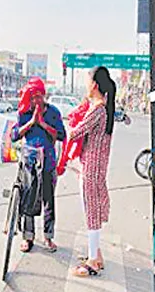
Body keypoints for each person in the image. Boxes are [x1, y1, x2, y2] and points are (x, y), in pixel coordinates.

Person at [69, 66, 116, 277]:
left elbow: (77, 132)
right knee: (92, 211)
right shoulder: (102, 107)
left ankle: (92, 262)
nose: (85, 86)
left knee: (92, 214)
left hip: (92, 168)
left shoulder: (98, 109)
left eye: (87, 81)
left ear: (94, 85)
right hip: (95, 166)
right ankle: (96, 254)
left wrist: (58, 130)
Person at [11, 78, 66, 253]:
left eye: (39, 96)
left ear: (44, 95)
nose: (36, 101)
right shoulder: (24, 113)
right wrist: (31, 123)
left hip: (48, 161)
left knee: (48, 200)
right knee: (28, 199)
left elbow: (62, 135)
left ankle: (48, 237)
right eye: (33, 97)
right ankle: (28, 238)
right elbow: (14, 135)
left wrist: (43, 124)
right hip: (29, 161)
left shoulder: (53, 112)